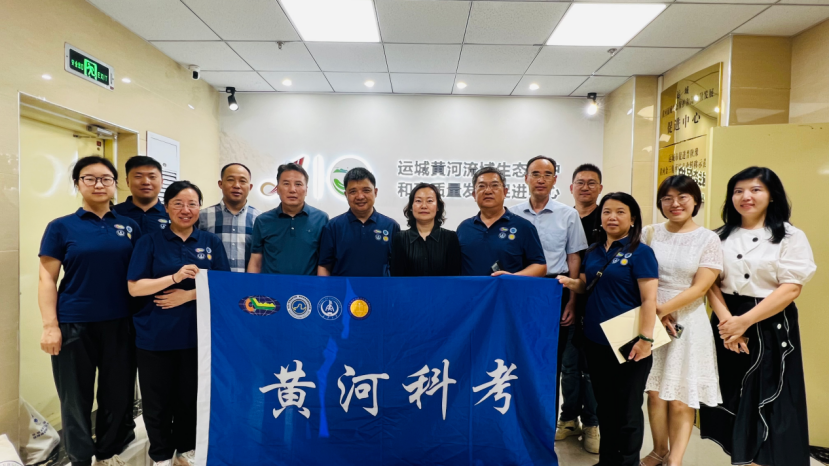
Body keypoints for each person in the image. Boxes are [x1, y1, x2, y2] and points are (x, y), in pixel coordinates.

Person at [700, 167, 816, 466]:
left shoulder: (790, 236)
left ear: (772, 195)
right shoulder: (717, 236)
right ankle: (743, 459)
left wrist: (744, 322)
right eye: (738, 191)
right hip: (726, 318)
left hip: (769, 320)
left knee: (769, 397)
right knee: (733, 394)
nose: (745, 197)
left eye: (755, 190)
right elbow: (709, 283)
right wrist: (728, 323)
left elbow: (791, 288)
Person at [38, 156, 140, 466]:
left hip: (121, 322)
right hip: (74, 323)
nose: (98, 184)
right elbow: (46, 279)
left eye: (106, 179)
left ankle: (109, 452)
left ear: (115, 184)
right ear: (77, 184)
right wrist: (50, 326)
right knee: (75, 398)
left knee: (117, 394)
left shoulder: (130, 226)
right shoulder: (60, 227)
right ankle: (80, 458)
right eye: (89, 178)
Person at [127, 181, 230, 467]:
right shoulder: (149, 242)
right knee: (156, 401)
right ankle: (160, 455)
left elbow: (223, 285)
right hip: (154, 335)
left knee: (190, 398)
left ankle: (186, 450)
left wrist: (188, 295)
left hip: (196, 336)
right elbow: (135, 288)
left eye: (192, 204)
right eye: (178, 204)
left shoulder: (210, 242)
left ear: (199, 208)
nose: (186, 210)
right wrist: (174, 278)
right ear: (166, 207)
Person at [558, 192, 658, 466]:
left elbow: (649, 299)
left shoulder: (641, 252)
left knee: (627, 409)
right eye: (607, 212)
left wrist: (645, 339)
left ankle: (627, 462)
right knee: (605, 406)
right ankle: (608, 461)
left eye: (620, 212)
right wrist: (570, 283)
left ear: (633, 218)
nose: (612, 217)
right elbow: (586, 285)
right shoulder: (593, 251)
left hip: (630, 341)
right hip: (596, 340)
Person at [508, 156, 596, 452]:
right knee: (518, 359)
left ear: (555, 180)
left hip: (554, 291)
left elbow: (574, 258)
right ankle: (518, 421)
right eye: (535, 173)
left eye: (547, 174)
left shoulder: (567, 215)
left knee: (551, 363)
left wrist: (571, 301)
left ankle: (546, 424)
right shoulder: (512, 213)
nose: (541, 179)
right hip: (520, 292)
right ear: (526, 178)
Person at [640, 175, 723, 467]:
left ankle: (675, 459)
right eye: (667, 198)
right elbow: (637, 274)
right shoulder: (649, 233)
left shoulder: (708, 239)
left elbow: (701, 288)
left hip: (688, 322)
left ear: (696, 201)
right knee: (654, 393)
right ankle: (658, 449)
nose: (674, 204)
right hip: (652, 319)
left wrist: (663, 310)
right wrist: (656, 312)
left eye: (682, 197)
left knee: (680, 396)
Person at [457, 167, 547, 277]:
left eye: (494, 185)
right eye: (481, 186)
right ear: (474, 195)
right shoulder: (464, 228)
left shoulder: (524, 227)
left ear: (505, 192)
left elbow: (540, 266)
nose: (488, 191)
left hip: (508, 288)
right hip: (471, 289)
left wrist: (512, 277)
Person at [248, 163, 329, 275]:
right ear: (277, 189)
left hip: (308, 286)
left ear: (306, 190)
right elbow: (256, 262)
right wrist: (251, 285)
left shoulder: (321, 219)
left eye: (298, 184)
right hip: (272, 286)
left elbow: (324, 263)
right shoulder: (262, 220)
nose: (292, 190)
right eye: (286, 184)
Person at [318, 168, 400, 277]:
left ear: (375, 192)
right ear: (346, 194)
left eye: (366, 190)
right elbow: (324, 266)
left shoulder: (391, 226)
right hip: (343, 288)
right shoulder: (332, 227)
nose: (360, 196)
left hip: (381, 288)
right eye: (353, 191)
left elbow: (397, 268)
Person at [198, 163, 261, 273]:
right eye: (231, 180)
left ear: (250, 187)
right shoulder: (202, 216)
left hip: (248, 282)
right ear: (220, 184)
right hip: (212, 282)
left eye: (242, 181)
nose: (236, 185)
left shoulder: (260, 219)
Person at [390, 182, 461, 277]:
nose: (424, 206)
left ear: (438, 207)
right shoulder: (401, 238)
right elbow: (397, 277)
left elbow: (454, 277)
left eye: (430, 201)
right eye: (418, 201)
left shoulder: (450, 238)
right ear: (411, 207)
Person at [113, 156, 170, 233]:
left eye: (152, 177)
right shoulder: (113, 213)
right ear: (127, 181)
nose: (146, 182)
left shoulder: (172, 215)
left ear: (162, 182)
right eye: (138, 176)